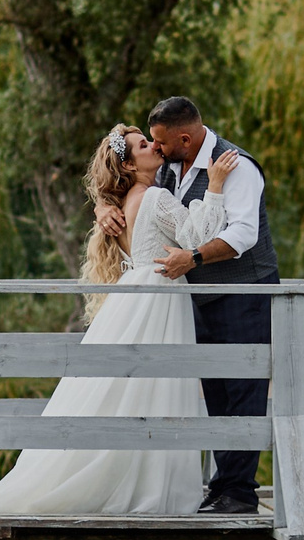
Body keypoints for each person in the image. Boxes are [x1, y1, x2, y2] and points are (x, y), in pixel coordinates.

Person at [0, 128, 241, 517]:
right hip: (157, 297)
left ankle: (130, 475)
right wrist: (214, 187)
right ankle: (147, 483)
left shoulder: (129, 199)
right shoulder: (157, 197)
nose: (153, 146)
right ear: (128, 164)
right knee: (151, 388)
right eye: (143, 145)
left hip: (138, 294)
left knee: (132, 391)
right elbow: (200, 236)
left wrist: (100, 205)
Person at [111, 96, 277, 514]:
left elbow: (243, 236)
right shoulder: (167, 167)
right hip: (196, 298)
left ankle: (240, 493)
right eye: (152, 143)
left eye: (161, 142)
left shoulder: (237, 167)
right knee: (216, 393)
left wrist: (196, 258)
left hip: (244, 294)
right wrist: (102, 207)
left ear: (185, 138)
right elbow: (128, 190)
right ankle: (222, 486)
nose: (157, 148)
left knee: (244, 391)